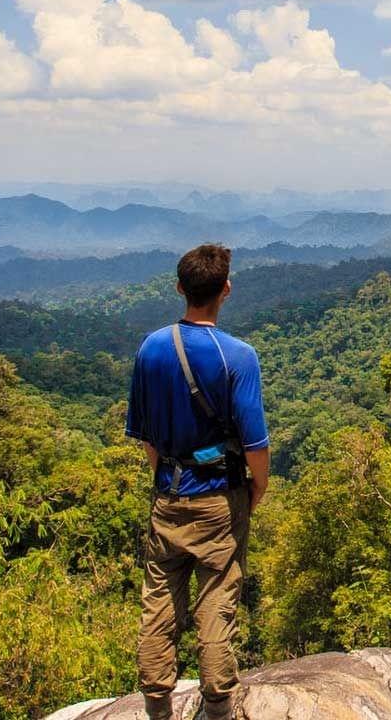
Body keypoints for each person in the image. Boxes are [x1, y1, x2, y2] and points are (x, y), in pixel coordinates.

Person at [125, 244, 270, 720]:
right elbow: (255, 447)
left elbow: (144, 435)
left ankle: (157, 707)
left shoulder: (151, 348)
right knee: (216, 604)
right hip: (220, 503)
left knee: (160, 602)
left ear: (179, 289)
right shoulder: (238, 357)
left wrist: (168, 476)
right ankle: (217, 709)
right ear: (226, 290)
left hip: (168, 496)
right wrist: (257, 489)